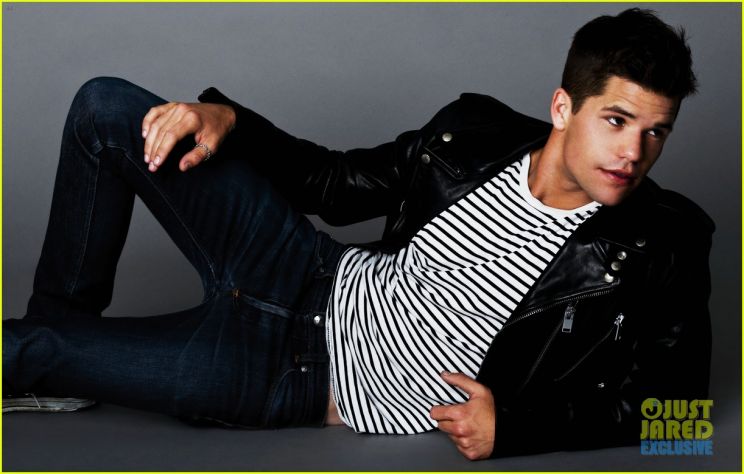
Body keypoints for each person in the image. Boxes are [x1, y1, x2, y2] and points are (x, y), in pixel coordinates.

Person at [3, 8, 713, 460]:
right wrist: (232, 122)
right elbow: (335, 185)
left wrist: (517, 429)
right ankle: (62, 335)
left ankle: (53, 352)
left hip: (289, 376)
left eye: (657, 133)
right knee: (104, 107)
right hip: (302, 266)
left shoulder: (666, 243)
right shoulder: (470, 133)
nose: (633, 153)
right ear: (563, 107)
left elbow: (684, 422)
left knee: (25, 351)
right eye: (616, 121)